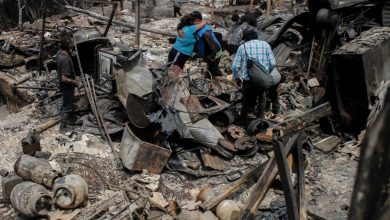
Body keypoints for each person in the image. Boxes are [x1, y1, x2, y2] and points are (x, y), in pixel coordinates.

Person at [231, 28, 279, 121]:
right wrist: (265, 73)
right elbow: (272, 63)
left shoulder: (243, 47)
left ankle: (244, 120)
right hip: (262, 80)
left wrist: (236, 78)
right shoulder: (265, 45)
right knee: (262, 97)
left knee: (246, 100)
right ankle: (261, 118)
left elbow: (235, 67)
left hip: (248, 81)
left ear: (245, 38)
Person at [56, 36, 80, 132]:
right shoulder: (65, 60)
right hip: (67, 86)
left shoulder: (59, 54)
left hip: (64, 86)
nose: (73, 45)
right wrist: (76, 82)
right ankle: (63, 127)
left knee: (67, 103)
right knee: (67, 106)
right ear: (68, 46)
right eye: (71, 44)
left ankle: (71, 119)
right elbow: (64, 78)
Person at [190, 11, 223, 77]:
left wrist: (212, 58)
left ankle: (217, 75)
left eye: (191, 20)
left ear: (197, 20)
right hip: (209, 51)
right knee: (210, 67)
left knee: (212, 70)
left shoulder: (204, 32)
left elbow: (213, 45)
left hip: (215, 53)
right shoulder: (200, 26)